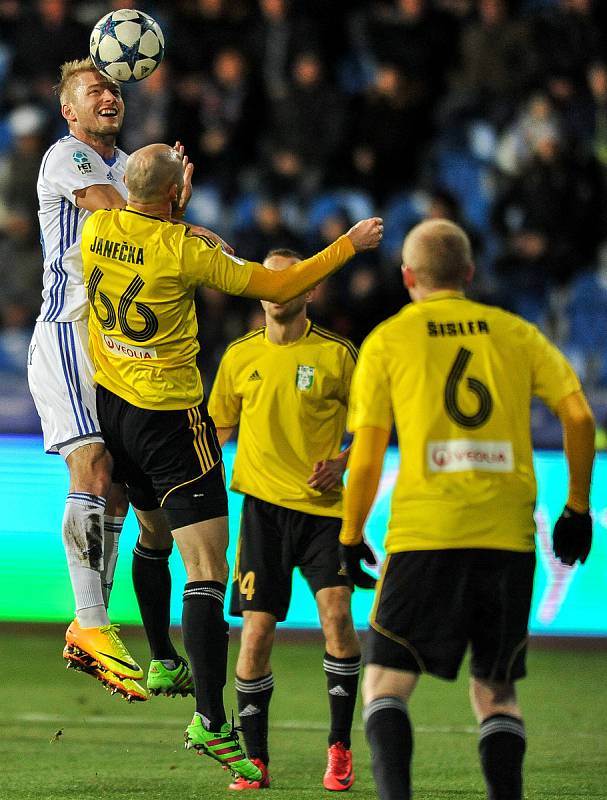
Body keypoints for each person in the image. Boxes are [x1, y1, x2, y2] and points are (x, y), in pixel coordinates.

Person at [80, 142, 382, 780]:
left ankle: (160, 652)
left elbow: (120, 203)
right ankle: (212, 721)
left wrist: (171, 207)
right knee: (208, 569)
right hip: (170, 417)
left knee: (153, 532)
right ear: (174, 196)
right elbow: (278, 283)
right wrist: (348, 245)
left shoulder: (98, 226)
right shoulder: (185, 251)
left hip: (113, 410)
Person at [338, 219, 595, 800]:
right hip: (506, 534)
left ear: (407, 277)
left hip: (425, 532)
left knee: (384, 683)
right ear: (470, 274)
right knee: (496, 689)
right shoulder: (516, 333)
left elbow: (371, 451)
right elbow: (579, 416)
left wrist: (351, 534)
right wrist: (576, 506)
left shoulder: (389, 340)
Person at [26, 57, 209, 703]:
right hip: (69, 331)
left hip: (113, 347)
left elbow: (157, 228)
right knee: (94, 470)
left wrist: (171, 207)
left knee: (119, 496)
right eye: (91, 90)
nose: (107, 95)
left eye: (112, 87)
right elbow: (120, 214)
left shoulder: (132, 162)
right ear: (69, 111)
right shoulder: (67, 156)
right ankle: (93, 625)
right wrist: (166, 204)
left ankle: (92, 623)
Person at [208, 248, 363, 791]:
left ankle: (339, 747)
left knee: (338, 619)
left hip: (324, 513)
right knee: (255, 635)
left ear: (311, 288)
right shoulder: (239, 357)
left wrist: (344, 461)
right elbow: (217, 431)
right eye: (269, 279)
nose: (279, 288)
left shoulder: (339, 354)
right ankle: (256, 761)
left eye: (293, 279)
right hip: (262, 515)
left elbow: (371, 426)